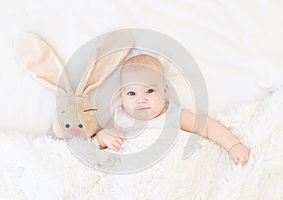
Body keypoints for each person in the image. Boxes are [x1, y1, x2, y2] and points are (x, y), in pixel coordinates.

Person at [94, 54, 250, 166]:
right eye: (131, 93)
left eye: (149, 91)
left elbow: (207, 127)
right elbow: (97, 141)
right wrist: (104, 136)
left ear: (164, 91)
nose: (141, 99)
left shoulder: (173, 115)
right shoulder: (119, 117)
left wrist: (233, 146)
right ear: (121, 95)